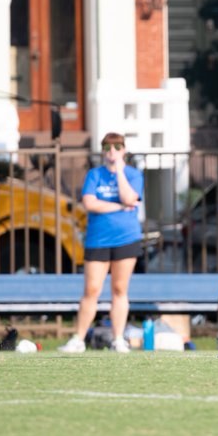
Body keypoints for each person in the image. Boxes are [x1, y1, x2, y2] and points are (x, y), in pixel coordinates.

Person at [59, 132, 145, 353]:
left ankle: (118, 339)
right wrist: (118, 207)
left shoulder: (133, 174)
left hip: (126, 238)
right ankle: (78, 339)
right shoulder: (94, 175)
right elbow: (90, 203)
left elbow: (129, 198)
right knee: (92, 289)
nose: (112, 151)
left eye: (117, 147)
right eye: (107, 147)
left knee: (119, 288)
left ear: (124, 150)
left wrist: (118, 173)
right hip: (98, 239)